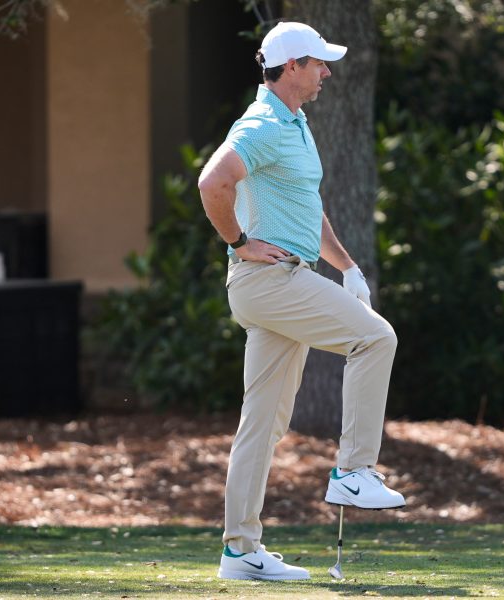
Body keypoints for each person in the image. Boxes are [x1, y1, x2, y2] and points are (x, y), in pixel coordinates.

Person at [197, 21, 405, 582]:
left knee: (262, 422)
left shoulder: (295, 122)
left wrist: (348, 267)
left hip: (276, 283)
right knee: (375, 337)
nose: (326, 73)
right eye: (318, 64)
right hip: (270, 281)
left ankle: (240, 552)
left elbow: (307, 208)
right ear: (292, 68)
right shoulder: (264, 123)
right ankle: (354, 472)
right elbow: (212, 183)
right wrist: (239, 241)